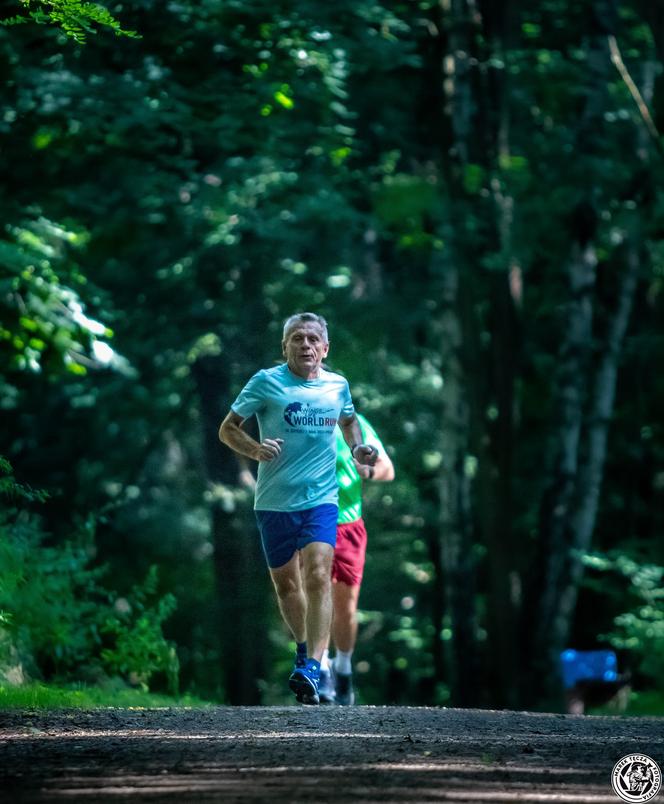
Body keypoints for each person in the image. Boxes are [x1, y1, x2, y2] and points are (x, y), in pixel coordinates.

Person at [218, 312, 377, 705]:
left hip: (321, 499)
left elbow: (349, 422)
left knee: (320, 574)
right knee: (287, 585)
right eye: (296, 339)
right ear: (284, 346)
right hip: (273, 502)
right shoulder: (265, 382)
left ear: (325, 348)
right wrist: (254, 449)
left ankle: (314, 666)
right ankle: (304, 652)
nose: (305, 345)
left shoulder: (337, 386)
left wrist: (358, 448)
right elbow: (227, 428)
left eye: (312, 339)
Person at [318, 414, 395, 705]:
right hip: (310, 521)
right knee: (316, 595)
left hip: (348, 525)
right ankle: (321, 667)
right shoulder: (297, 417)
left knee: (345, 607)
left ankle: (343, 667)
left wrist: (369, 471)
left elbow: (388, 468)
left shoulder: (354, 423)